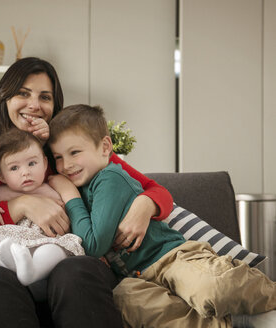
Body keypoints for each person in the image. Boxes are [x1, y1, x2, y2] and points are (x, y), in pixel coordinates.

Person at [0, 56, 174, 327]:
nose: (34, 105)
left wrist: (144, 207)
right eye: (23, 94)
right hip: (5, 262)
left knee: (75, 270)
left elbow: (157, 191)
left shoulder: (69, 148)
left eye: (45, 97)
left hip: (72, 260)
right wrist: (21, 206)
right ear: (4, 97)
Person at [47, 104, 276, 328]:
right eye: (58, 157)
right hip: (135, 277)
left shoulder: (109, 179)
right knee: (128, 302)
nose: (66, 165)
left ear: (105, 146)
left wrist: (70, 196)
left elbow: (93, 244)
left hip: (170, 258)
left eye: (74, 152)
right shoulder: (83, 186)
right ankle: (234, 321)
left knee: (212, 287)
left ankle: (268, 296)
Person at [0, 128, 84, 286]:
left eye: (32, 163)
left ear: (45, 163)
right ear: (0, 175)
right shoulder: (0, 192)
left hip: (46, 240)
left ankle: (32, 272)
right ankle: (14, 264)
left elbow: (70, 209)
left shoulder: (55, 186)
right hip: (16, 245)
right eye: (14, 168)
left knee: (56, 249)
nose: (25, 172)